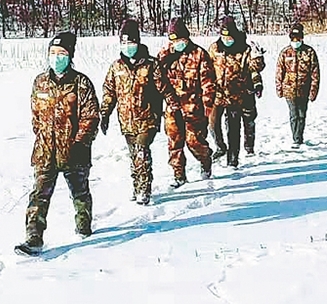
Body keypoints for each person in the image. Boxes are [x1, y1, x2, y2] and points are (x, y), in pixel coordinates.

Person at [16, 31, 100, 256]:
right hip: (45, 152)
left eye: (61, 53)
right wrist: (43, 137)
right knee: (38, 196)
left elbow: (91, 116)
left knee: (80, 194)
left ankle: (84, 226)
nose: (56, 58)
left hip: (75, 152)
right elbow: (36, 116)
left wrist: (80, 143)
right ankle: (34, 237)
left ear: (70, 56)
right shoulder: (40, 82)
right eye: (53, 53)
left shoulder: (81, 83)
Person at [100, 19, 162, 205]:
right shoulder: (116, 67)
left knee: (142, 151)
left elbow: (164, 89)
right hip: (126, 121)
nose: (127, 46)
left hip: (148, 119)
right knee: (134, 154)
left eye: (131, 43)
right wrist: (105, 114)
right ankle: (137, 186)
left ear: (138, 42)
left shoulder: (151, 64)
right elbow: (109, 92)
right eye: (124, 43)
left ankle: (144, 189)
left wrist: (173, 109)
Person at [155, 17, 216, 188]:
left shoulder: (199, 54)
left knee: (194, 141)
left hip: (194, 108)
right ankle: (179, 175)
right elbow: (157, 78)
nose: (176, 43)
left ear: (186, 37)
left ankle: (205, 160)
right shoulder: (165, 55)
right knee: (174, 142)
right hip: (172, 108)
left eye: (180, 40)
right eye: (173, 40)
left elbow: (208, 83)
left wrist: (207, 106)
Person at [208, 16, 266, 167]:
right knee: (212, 124)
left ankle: (232, 160)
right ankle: (220, 147)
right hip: (217, 94)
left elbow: (255, 68)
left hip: (236, 96)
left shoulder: (244, 49)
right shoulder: (214, 48)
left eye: (229, 36)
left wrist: (258, 57)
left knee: (233, 129)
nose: (227, 39)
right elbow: (207, 68)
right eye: (224, 36)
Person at [275, 22, 320, 149]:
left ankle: (299, 135)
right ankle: (296, 139)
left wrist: (313, 91)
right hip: (289, 90)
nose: (296, 41)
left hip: (304, 89)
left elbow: (315, 73)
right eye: (293, 39)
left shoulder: (309, 52)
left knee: (302, 114)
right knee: (293, 114)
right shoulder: (285, 53)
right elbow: (279, 71)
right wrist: (279, 89)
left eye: (298, 39)